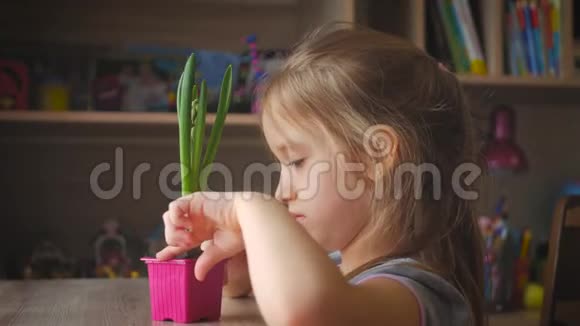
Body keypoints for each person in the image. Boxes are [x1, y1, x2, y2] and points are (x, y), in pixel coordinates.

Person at [156, 24, 485, 326]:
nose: (282, 192)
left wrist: (251, 207)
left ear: (376, 157)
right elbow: (252, 290)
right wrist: (243, 263)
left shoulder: (418, 292)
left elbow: (306, 313)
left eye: (296, 162)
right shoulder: (338, 263)